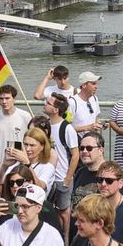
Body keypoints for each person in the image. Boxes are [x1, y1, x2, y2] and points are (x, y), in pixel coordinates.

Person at [45, 94, 79, 235]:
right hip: (48, 176)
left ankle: (65, 242)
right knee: (48, 210)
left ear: (56, 109)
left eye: (48, 103)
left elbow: (75, 154)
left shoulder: (67, 128)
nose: (45, 104)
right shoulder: (45, 125)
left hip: (61, 177)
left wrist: (67, 178)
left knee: (64, 212)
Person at [0, 127, 55, 192]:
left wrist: (27, 164)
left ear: (42, 147)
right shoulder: (16, 163)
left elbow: (40, 188)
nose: (27, 149)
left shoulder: (47, 167)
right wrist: (4, 166)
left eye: (32, 145)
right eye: (25, 144)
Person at [0, 84, 32, 165]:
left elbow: (31, 141)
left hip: (20, 162)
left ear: (14, 99)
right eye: (1, 99)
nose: (4, 102)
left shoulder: (25, 116)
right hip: (0, 163)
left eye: (7, 98)